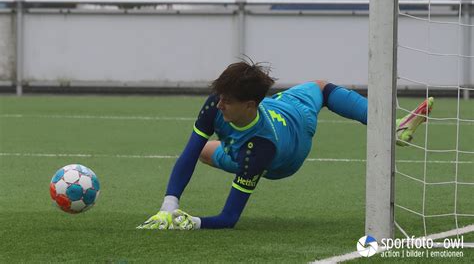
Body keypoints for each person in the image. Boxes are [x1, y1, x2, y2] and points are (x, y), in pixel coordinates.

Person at [137, 61, 434, 230]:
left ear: (250, 104)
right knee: (201, 151)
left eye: (228, 100)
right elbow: (189, 152)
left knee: (323, 90)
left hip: (292, 141)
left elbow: (228, 219)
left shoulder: (260, 149)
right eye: (220, 96)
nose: (220, 103)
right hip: (282, 107)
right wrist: (169, 206)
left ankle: (389, 127)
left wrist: (195, 222)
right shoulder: (216, 105)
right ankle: (393, 128)